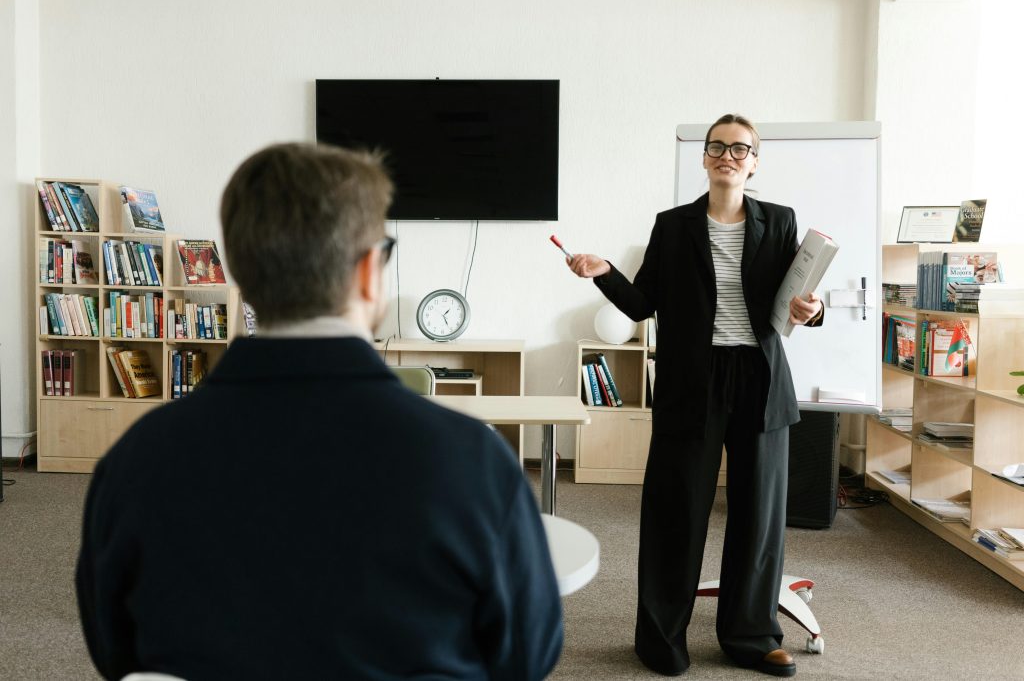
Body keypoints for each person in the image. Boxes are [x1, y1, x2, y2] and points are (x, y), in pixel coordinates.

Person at [76, 143, 563, 680]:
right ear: (368, 272)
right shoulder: (476, 461)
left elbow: (115, 652)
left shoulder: (137, 460)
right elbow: (527, 658)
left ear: (240, 269)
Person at [567, 114, 823, 678]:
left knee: (758, 516)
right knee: (676, 511)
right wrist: (603, 271)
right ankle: (661, 640)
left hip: (759, 378)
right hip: (691, 380)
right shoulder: (673, 225)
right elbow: (641, 304)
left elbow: (798, 300)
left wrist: (815, 309)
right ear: (704, 159)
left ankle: (751, 637)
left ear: (754, 161)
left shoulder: (780, 222)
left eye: (740, 149)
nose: (728, 156)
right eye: (717, 147)